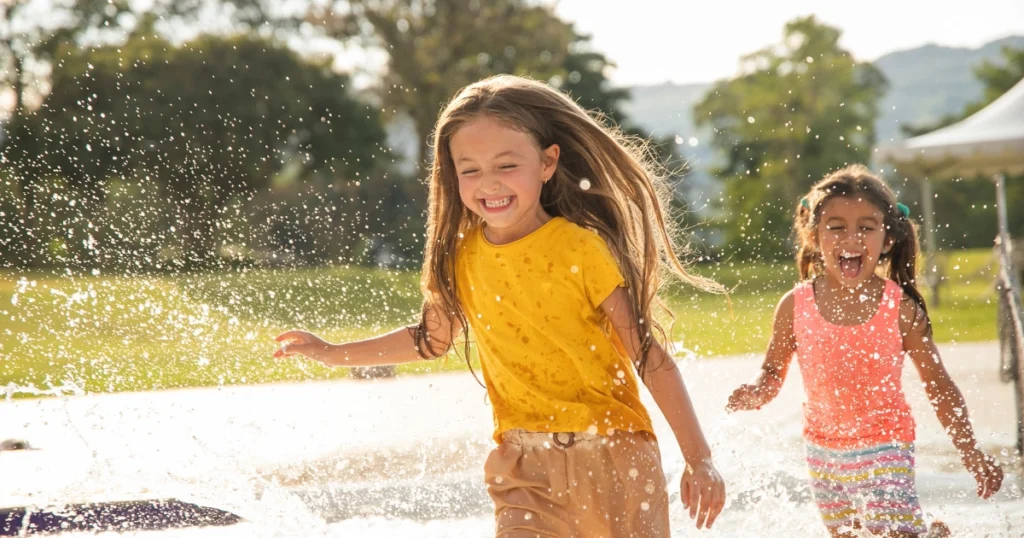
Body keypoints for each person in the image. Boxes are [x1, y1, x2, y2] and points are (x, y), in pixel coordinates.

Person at [274, 75, 727, 536]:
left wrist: (699, 459)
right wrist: (332, 352)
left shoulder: (580, 250)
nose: (488, 183)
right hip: (521, 466)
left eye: (506, 165)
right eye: (469, 169)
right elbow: (430, 340)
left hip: (612, 457)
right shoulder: (458, 255)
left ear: (548, 162)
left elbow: (649, 356)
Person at [726, 165, 1004, 537]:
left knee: (893, 534)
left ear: (887, 239)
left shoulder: (900, 308)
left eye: (866, 227)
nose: (851, 238)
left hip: (886, 443)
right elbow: (772, 372)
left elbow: (938, 383)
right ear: (813, 235)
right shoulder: (795, 305)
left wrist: (970, 450)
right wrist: (757, 391)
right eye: (836, 226)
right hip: (823, 452)